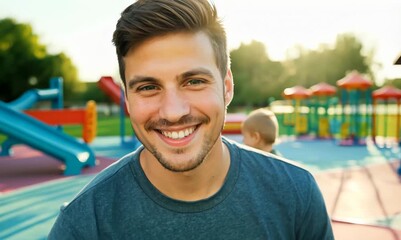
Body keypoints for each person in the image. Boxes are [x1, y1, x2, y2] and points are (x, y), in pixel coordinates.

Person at [49, 0, 334, 239]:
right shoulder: (85, 224)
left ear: (227, 86)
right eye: (148, 87)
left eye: (194, 81)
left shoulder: (297, 195)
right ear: (127, 97)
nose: (173, 112)